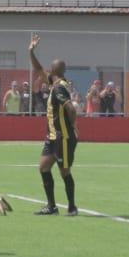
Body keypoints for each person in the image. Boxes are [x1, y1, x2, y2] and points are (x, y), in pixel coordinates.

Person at [28, 34, 79, 215]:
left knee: (64, 171)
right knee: (43, 167)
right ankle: (52, 206)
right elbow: (38, 70)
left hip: (62, 137)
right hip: (52, 136)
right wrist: (31, 51)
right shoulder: (55, 83)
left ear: (54, 70)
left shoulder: (58, 88)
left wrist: (71, 128)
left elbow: (71, 109)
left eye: (50, 69)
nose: (46, 72)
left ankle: (72, 207)